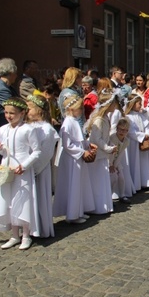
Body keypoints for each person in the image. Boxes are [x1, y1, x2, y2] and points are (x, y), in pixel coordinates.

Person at [0, 97, 41, 250]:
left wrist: (24, 165)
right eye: (6, 112)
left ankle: (26, 235)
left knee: (22, 200)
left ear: (22, 113)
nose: (9, 116)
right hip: (7, 168)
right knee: (9, 199)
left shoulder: (28, 129)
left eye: (12, 113)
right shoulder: (2, 129)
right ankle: (14, 234)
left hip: (22, 169)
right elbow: (5, 150)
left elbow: (36, 151)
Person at [53, 95, 96, 224]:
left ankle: (79, 210)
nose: (82, 111)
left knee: (79, 184)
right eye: (79, 108)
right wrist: (82, 152)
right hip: (72, 159)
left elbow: (78, 140)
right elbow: (68, 145)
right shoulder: (68, 123)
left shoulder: (74, 121)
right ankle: (73, 215)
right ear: (72, 109)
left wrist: (87, 145)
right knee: (74, 185)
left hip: (77, 157)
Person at [26, 93, 58, 237]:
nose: (27, 112)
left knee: (39, 197)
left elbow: (45, 153)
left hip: (39, 170)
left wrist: (34, 170)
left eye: (29, 109)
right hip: (27, 169)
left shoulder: (47, 129)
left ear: (39, 110)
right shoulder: (28, 126)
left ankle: (41, 228)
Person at [86, 90, 120, 214]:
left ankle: (103, 204)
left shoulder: (105, 117)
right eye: (113, 103)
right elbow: (96, 139)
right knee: (97, 180)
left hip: (102, 155)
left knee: (102, 179)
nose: (115, 106)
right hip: (97, 155)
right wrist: (107, 148)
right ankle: (96, 205)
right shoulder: (99, 120)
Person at [124, 94, 149, 190]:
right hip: (133, 144)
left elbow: (147, 126)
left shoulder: (141, 115)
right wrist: (142, 136)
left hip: (142, 142)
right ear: (132, 104)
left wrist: (147, 133)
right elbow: (131, 132)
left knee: (143, 162)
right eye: (139, 103)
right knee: (134, 163)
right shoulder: (128, 117)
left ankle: (144, 182)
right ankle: (135, 184)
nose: (141, 105)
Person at [109, 118, 132, 204]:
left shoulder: (126, 141)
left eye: (125, 130)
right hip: (110, 160)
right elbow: (111, 153)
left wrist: (116, 165)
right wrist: (111, 164)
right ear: (117, 129)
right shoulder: (113, 138)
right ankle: (109, 196)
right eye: (121, 129)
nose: (122, 132)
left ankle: (122, 195)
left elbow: (121, 153)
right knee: (113, 178)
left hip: (117, 161)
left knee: (121, 177)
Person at [0, 58, 19, 131]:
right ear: (11, 73)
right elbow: (14, 106)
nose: (16, 76)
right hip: (5, 125)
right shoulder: (2, 89)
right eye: (15, 73)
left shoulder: (8, 87)